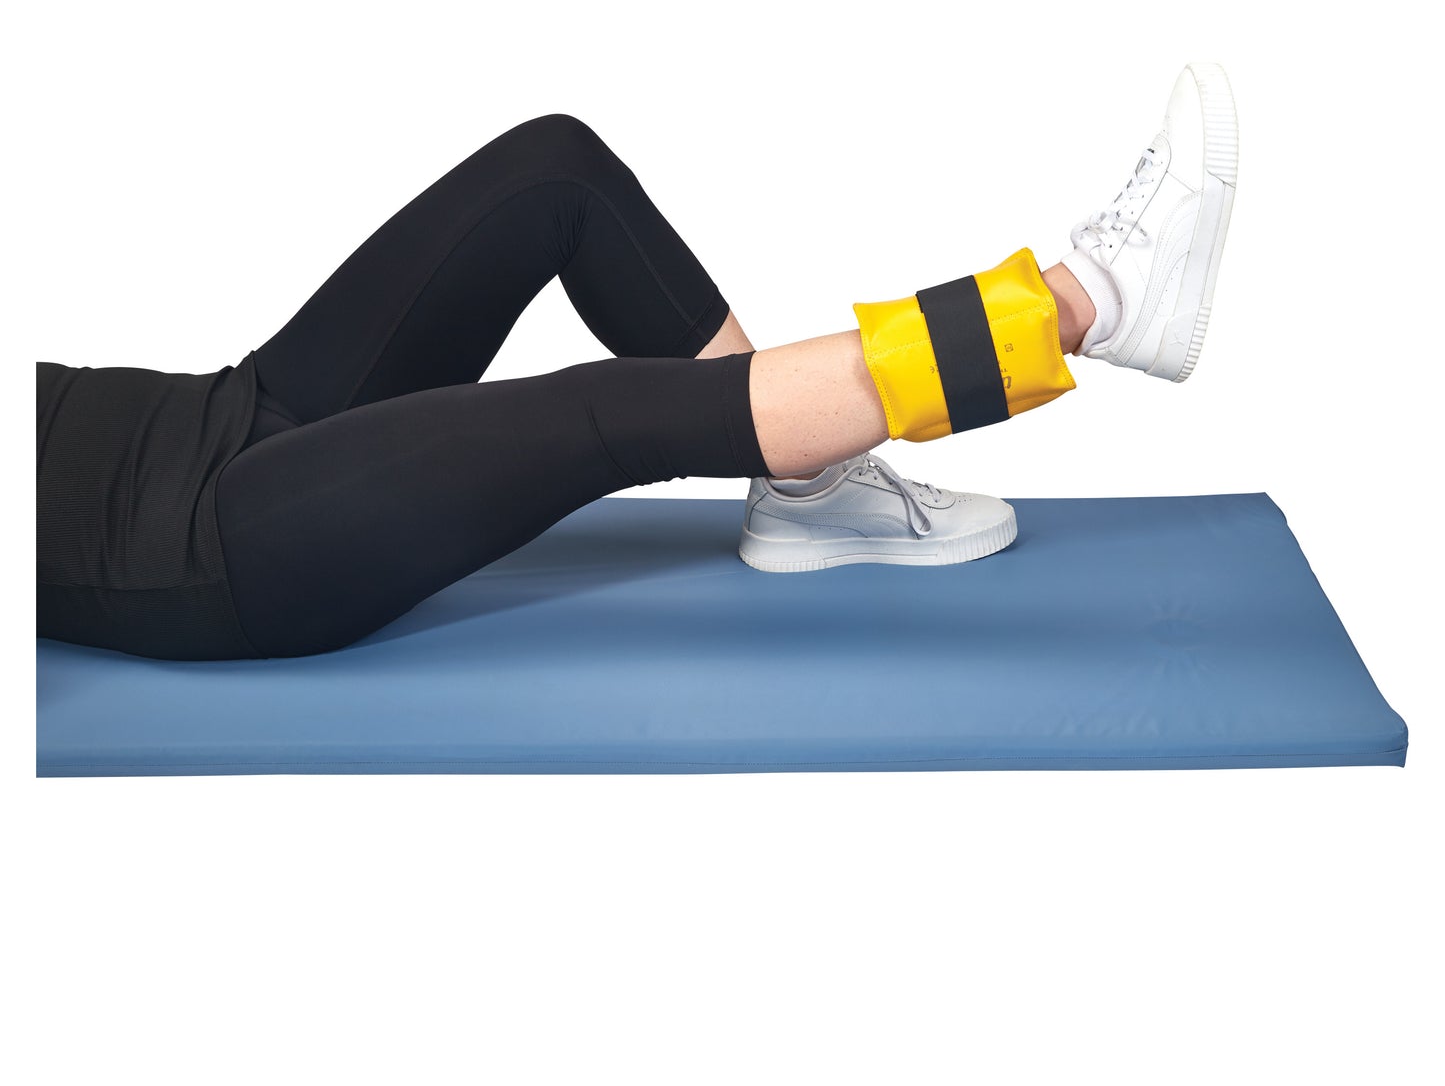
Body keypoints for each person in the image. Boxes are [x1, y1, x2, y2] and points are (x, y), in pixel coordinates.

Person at [36, 63, 1238, 661]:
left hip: (223, 412)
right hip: (216, 548)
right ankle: (1085, 306)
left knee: (551, 173)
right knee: (606, 418)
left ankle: (806, 485)